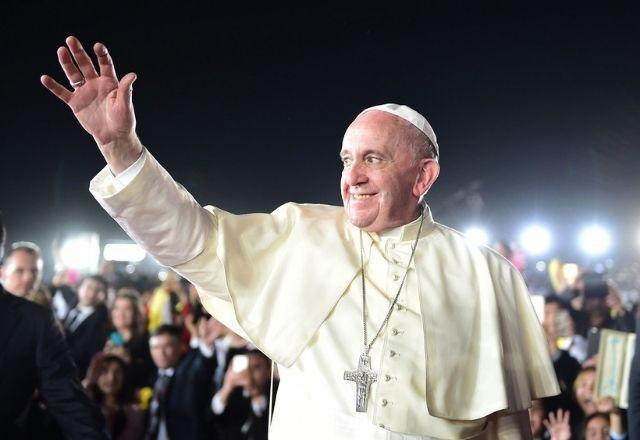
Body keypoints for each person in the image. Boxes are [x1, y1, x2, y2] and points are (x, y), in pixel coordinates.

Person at [42, 36, 559, 439]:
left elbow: (507, 425)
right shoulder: (300, 233)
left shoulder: (486, 273)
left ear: (423, 178)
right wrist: (120, 146)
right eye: (346, 159)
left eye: (372, 159)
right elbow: (191, 242)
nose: (351, 176)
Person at [0, 213, 107, 438]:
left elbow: (67, 399)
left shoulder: (36, 321)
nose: (28, 278)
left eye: (34, 272)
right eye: (20, 271)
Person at [145, 324, 216, 440]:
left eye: (167, 346)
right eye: (155, 347)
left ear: (180, 346)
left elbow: (202, 367)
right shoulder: (151, 378)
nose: (161, 353)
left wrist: (206, 345)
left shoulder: (188, 373)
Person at [85, 353, 145, 440]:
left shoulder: (134, 413)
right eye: (105, 371)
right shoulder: (88, 407)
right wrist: (89, 381)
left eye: (117, 372)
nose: (111, 378)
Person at [64, 274, 110, 378]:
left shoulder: (102, 323)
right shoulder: (70, 307)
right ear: (79, 287)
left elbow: (85, 354)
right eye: (88, 287)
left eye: (98, 290)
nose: (92, 293)